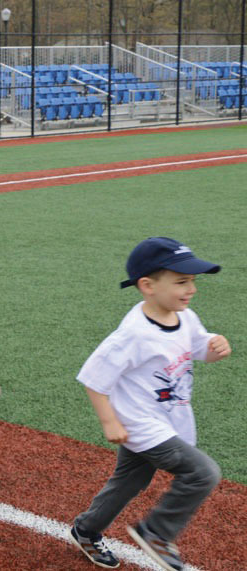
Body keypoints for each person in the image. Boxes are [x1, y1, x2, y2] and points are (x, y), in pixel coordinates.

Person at [69, 237, 229, 571]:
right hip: (142, 425)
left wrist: (214, 348)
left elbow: (200, 350)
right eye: (182, 281)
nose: (191, 289)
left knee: (129, 482)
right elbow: (93, 378)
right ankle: (156, 532)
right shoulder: (133, 334)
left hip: (168, 420)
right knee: (203, 473)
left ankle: (86, 530)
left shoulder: (184, 317)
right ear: (148, 285)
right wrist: (109, 422)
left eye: (193, 281)